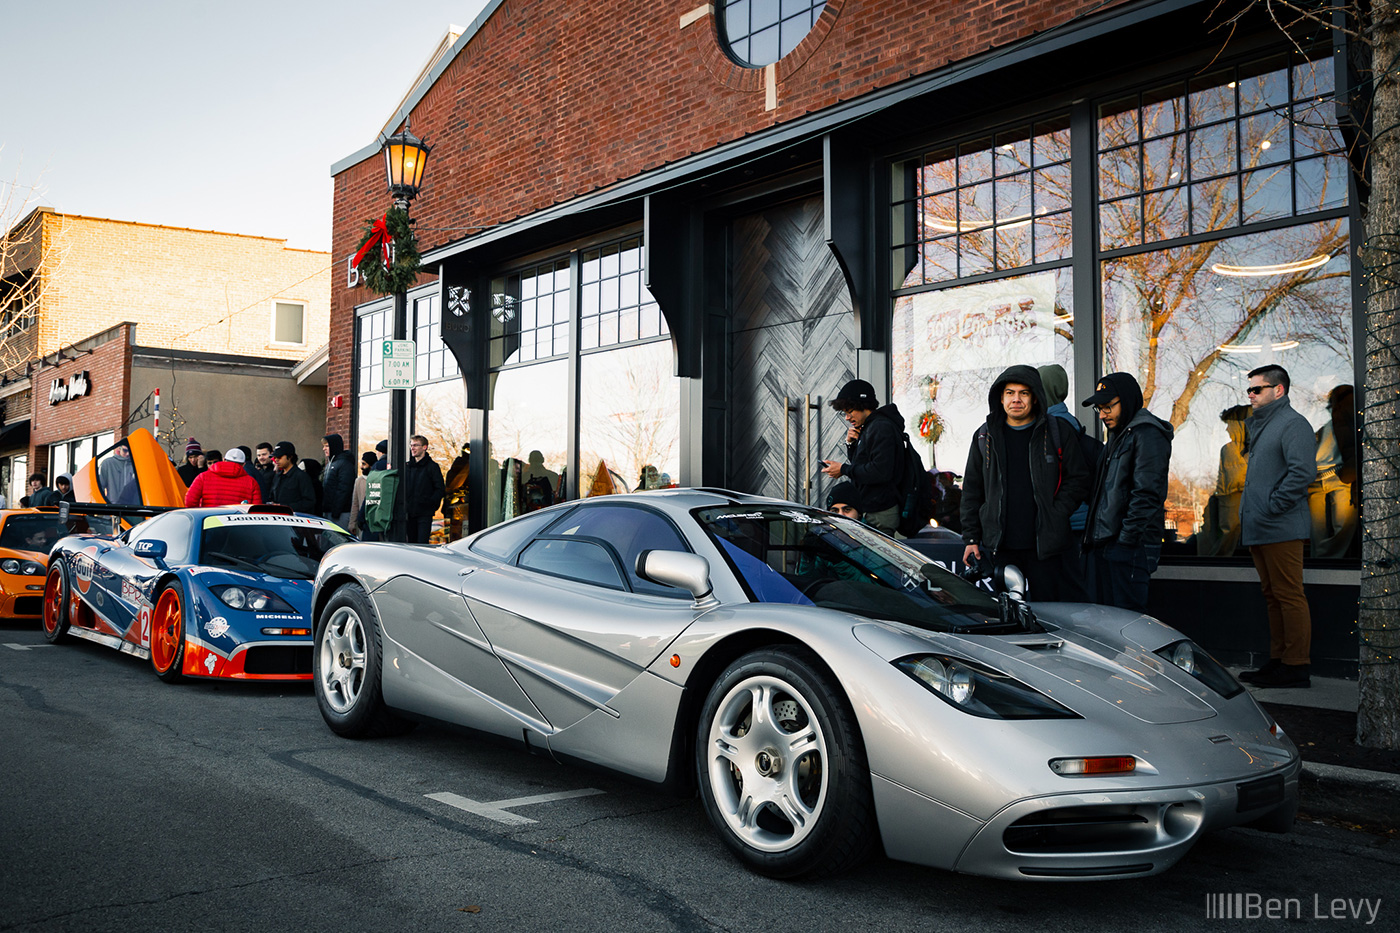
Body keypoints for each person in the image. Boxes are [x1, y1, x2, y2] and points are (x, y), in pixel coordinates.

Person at [959, 364, 1091, 601]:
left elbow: (1078, 479)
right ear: (1000, 398)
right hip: (1002, 547)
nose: (1016, 399)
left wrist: (1057, 512)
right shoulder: (984, 436)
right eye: (1010, 393)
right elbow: (972, 490)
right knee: (1009, 615)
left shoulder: (1057, 431)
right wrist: (971, 538)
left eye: (1024, 393)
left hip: (1047, 548)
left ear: (1036, 398)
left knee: (1052, 616)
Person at [1238, 364, 1317, 688]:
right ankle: (1279, 661)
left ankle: (1297, 665)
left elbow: (1302, 473)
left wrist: (1272, 507)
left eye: (1257, 389)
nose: (1251, 395)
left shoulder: (1292, 424)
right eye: (1249, 390)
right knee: (1273, 595)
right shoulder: (1263, 426)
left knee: (1288, 595)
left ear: (1278, 390)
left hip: (1280, 526)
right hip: (1261, 526)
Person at [1079, 372, 1174, 613]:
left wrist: (1126, 542)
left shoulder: (1147, 433)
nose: (1102, 415)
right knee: (1106, 625)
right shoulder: (1120, 436)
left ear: (1128, 399)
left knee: (1126, 626)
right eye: (1099, 409)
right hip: (1109, 547)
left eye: (1108, 407)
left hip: (1129, 549)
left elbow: (1147, 494)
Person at [1039, 363, 1102, 601]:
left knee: (1064, 598)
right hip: (1079, 522)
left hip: (1066, 526)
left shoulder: (1053, 426)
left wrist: (1055, 513)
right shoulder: (1069, 422)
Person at [820, 379, 905, 534]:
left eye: (850, 411)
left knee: (879, 557)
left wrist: (843, 469)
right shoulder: (871, 427)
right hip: (874, 508)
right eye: (844, 413)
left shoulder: (880, 427)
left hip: (880, 511)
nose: (847, 417)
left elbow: (880, 471)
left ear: (863, 405)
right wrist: (852, 445)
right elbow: (862, 466)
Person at [1310, 385, 1358, 559]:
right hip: (1315, 478)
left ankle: (1324, 557)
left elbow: (1353, 445)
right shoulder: (1323, 423)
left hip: (1338, 476)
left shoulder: (1346, 413)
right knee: (1318, 530)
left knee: (1344, 525)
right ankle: (1320, 559)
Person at [1198, 405, 1251, 557]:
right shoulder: (1231, 450)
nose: (1227, 430)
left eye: (1229, 425)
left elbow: (1234, 479)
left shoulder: (1232, 450)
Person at [402, 434, 446, 544]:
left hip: (424, 514)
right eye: (411, 445)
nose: (412, 448)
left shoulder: (432, 467)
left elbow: (440, 489)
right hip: (409, 513)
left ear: (424, 447)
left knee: (422, 544)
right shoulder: (407, 467)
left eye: (416, 445)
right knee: (411, 544)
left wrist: (430, 504)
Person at [185, 447, 263, 507]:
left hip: (209, 522)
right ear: (243, 464)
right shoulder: (251, 482)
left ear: (224, 460)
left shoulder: (203, 477)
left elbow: (190, 501)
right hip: (238, 525)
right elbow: (256, 508)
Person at [268, 441, 317, 514]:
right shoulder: (277, 476)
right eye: (274, 457)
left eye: (279, 457)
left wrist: (285, 507)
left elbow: (309, 502)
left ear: (290, 457)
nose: (276, 460)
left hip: (296, 519)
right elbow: (272, 497)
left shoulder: (301, 476)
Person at [320, 433, 355, 526]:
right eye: (324, 446)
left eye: (327, 446)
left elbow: (344, 489)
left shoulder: (345, 464)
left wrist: (336, 511)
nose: (324, 449)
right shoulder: (330, 464)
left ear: (334, 446)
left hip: (340, 514)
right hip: (329, 512)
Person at [349, 450, 377, 536]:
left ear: (371, 465)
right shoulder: (359, 481)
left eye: (364, 464)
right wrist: (352, 523)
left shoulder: (377, 480)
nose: (361, 467)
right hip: (362, 522)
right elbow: (355, 503)